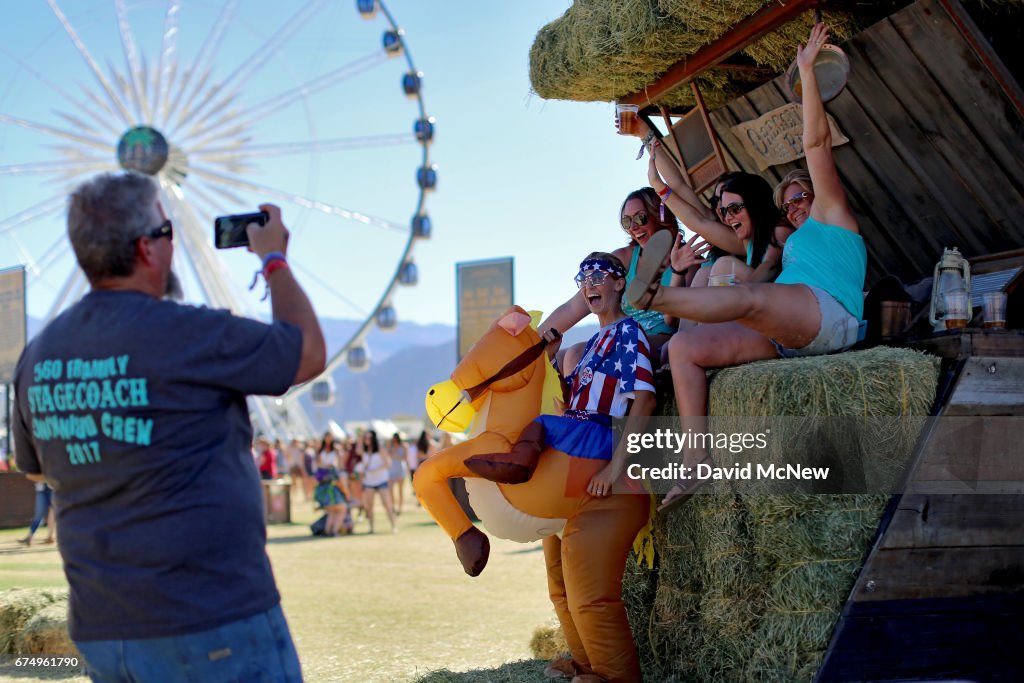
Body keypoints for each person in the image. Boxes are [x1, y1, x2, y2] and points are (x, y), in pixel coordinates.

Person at [11, 171, 325, 681]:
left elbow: (34, 472)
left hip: (101, 630)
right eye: (167, 231)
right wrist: (273, 259)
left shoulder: (38, 357)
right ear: (146, 248)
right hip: (209, 618)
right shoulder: (190, 333)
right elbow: (307, 351)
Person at [625, 23, 867, 512]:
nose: (795, 204)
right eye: (788, 201)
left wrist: (806, 75)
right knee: (686, 347)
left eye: (801, 195)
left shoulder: (834, 217)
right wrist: (656, 161)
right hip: (794, 330)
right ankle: (695, 460)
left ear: (817, 197)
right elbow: (695, 213)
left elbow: (816, 146)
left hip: (830, 313)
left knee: (751, 295)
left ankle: (656, 297)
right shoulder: (793, 241)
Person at [463, 252, 656, 682]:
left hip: (604, 474)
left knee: (591, 596)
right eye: (583, 276)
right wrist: (547, 357)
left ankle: (617, 677)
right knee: (560, 587)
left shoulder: (628, 333)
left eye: (599, 275)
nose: (590, 283)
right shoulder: (588, 348)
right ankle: (587, 666)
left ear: (619, 284)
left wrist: (614, 468)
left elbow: (643, 399)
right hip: (574, 471)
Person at [541, 188, 708, 369]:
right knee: (552, 360)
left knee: (576, 355)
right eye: (627, 221)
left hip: (658, 342)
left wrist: (677, 271)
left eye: (640, 218)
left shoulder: (690, 263)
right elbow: (573, 307)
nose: (633, 227)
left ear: (659, 215)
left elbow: (674, 321)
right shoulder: (625, 258)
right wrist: (528, 342)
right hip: (618, 336)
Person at [356, 430, 396, 534]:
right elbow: (357, 450)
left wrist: (375, 469)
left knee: (387, 504)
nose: (367, 440)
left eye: (369, 438)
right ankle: (371, 528)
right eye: (365, 438)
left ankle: (393, 526)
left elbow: (388, 463)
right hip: (368, 481)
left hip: (381, 480)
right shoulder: (364, 450)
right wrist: (360, 439)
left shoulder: (380, 449)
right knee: (369, 505)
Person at [18, 481, 56, 546]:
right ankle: (30, 536)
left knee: (52, 513)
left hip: (54, 487)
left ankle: (50, 536)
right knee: (39, 514)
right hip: (41, 488)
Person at [386, 432, 408, 514]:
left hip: (400, 469)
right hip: (392, 470)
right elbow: (387, 455)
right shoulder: (390, 447)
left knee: (400, 491)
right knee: (391, 490)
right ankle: (393, 506)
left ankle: (400, 507)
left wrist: (396, 456)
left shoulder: (403, 446)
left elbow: (405, 458)